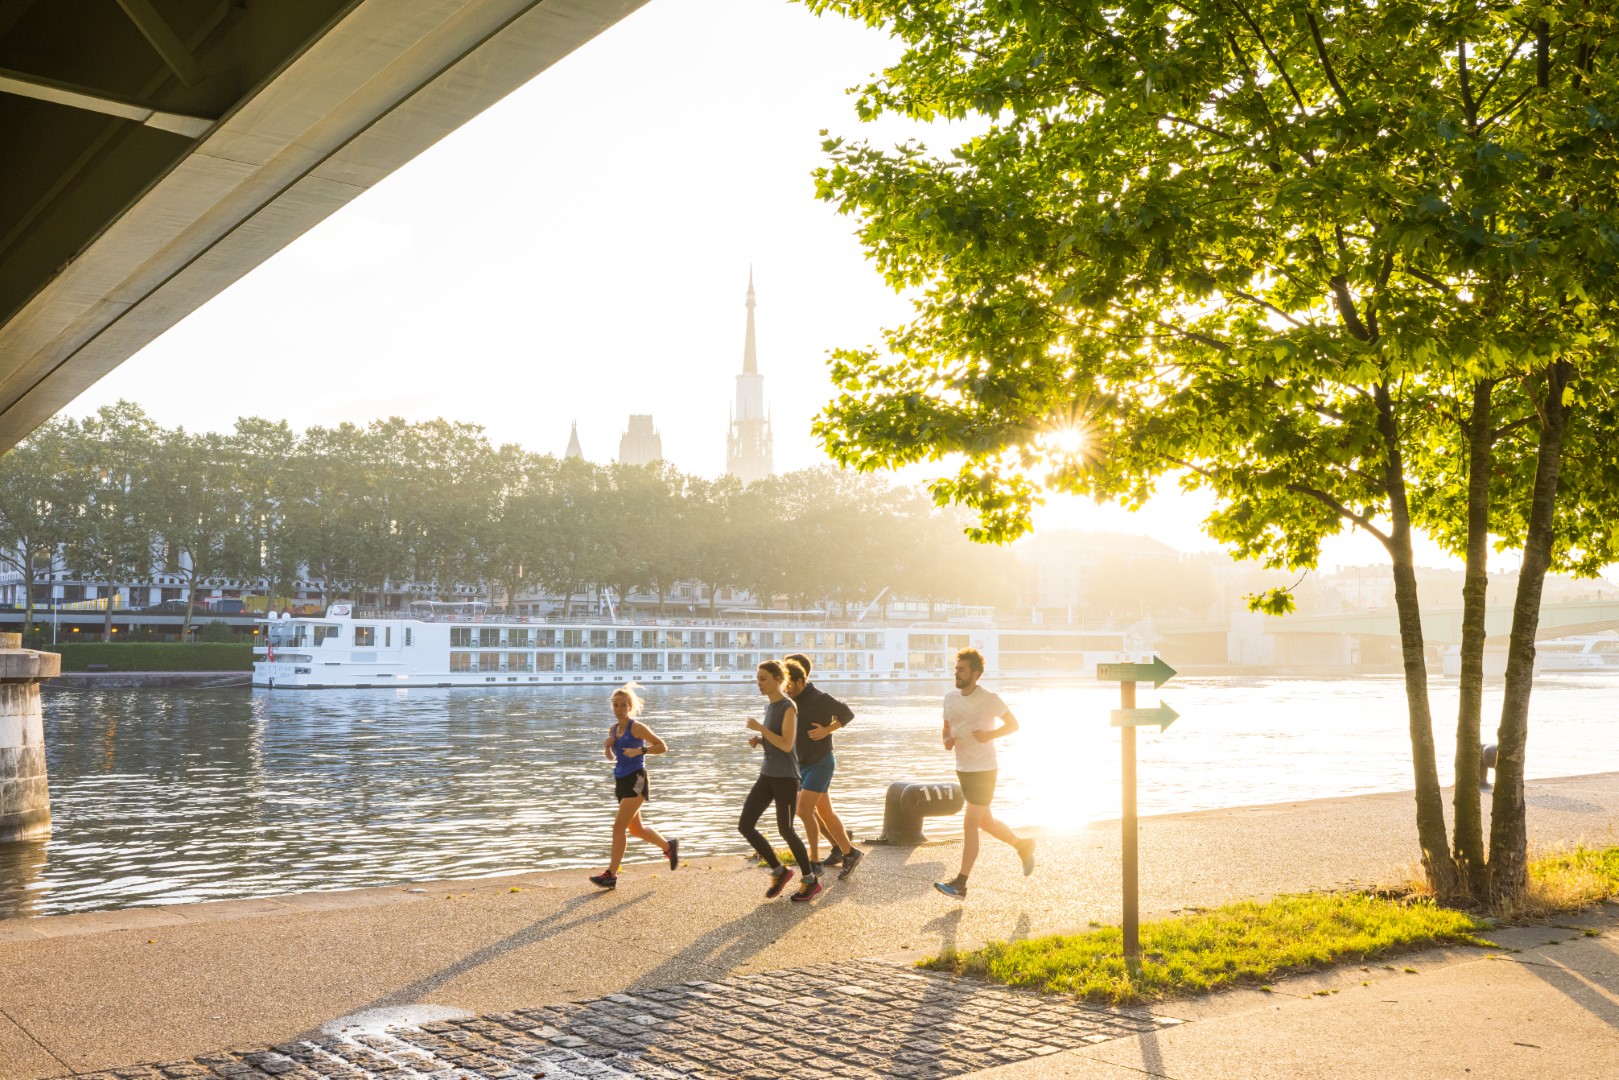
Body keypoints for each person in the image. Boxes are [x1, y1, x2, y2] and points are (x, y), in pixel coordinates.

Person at [934, 648, 1034, 899]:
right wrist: (947, 740)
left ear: (975, 674)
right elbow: (946, 727)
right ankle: (1022, 845)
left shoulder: (990, 698)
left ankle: (960, 884)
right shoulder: (949, 698)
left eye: (962, 669)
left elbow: (1013, 725)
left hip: (985, 769)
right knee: (985, 821)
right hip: (963, 768)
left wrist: (989, 735)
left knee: (970, 823)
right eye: (956, 669)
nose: (956, 673)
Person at [739, 659, 821, 901]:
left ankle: (810, 880)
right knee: (745, 825)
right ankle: (779, 870)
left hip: (786, 777)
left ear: (778, 679)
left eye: (763, 679)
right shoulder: (769, 707)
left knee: (786, 829)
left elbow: (786, 744)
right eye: (757, 679)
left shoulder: (788, 706)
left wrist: (761, 730)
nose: (759, 683)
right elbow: (776, 740)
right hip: (768, 774)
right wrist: (760, 740)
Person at [589, 682, 678, 889]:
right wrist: (607, 748)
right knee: (636, 828)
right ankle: (668, 847)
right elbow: (612, 758)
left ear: (630, 707)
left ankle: (611, 875)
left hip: (637, 779)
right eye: (615, 705)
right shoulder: (613, 729)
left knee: (618, 827)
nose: (619, 709)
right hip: (620, 780)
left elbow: (662, 746)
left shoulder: (636, 727)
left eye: (623, 705)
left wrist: (640, 751)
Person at [784, 653, 863, 880]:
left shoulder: (820, 697)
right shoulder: (790, 702)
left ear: (801, 681)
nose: (786, 689)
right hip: (803, 764)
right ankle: (846, 850)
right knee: (825, 812)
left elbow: (847, 714)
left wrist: (828, 730)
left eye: (789, 685)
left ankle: (820, 859)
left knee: (802, 809)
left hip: (821, 762)